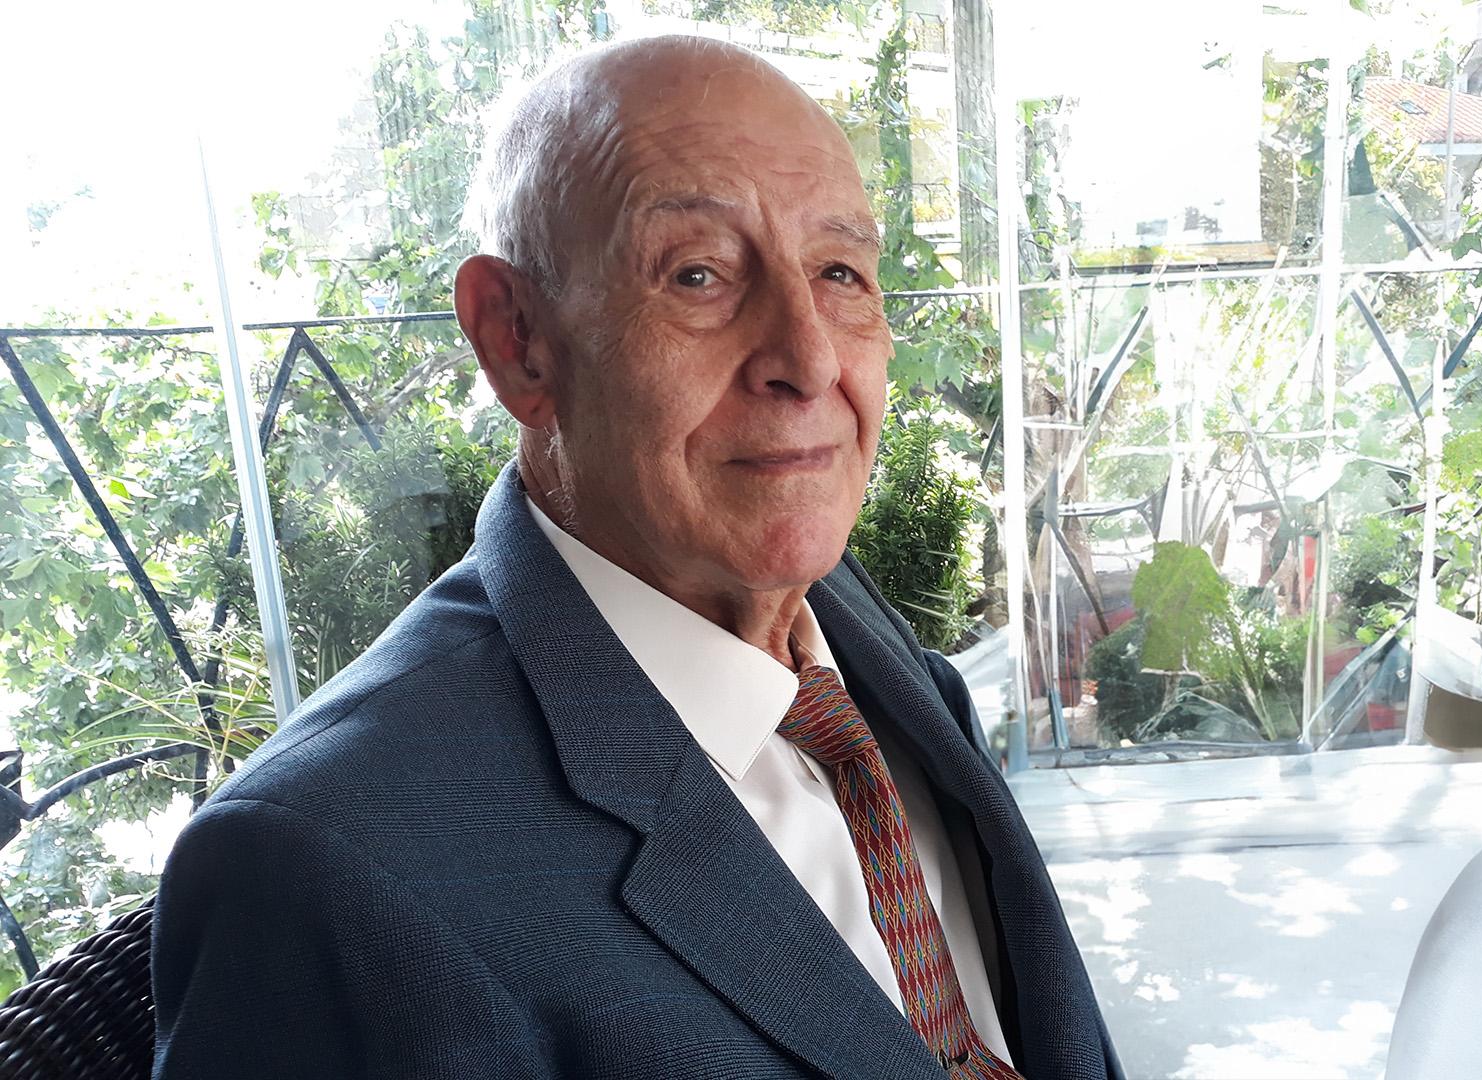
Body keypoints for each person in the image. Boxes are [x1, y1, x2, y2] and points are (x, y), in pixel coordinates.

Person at [150, 35, 1121, 1080]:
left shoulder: (829, 612)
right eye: (698, 274)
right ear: (518, 338)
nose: (810, 358)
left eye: (841, 272)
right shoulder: (321, 869)